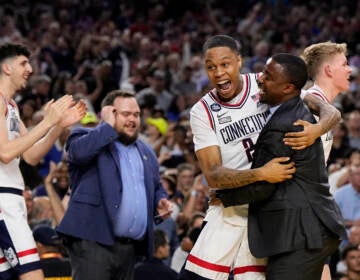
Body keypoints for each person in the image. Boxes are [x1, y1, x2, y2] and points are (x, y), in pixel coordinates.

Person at [183, 35, 341, 280]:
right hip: (232, 205)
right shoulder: (202, 111)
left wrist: (318, 129)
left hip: (269, 208)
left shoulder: (266, 84)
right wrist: (260, 173)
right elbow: (213, 175)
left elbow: (327, 109)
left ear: (238, 61)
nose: (218, 72)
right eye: (211, 67)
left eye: (225, 64)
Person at [56, 90, 173, 280]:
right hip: (93, 242)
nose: (133, 120)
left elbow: (156, 185)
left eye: (136, 115)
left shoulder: (146, 151)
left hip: (129, 249)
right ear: (109, 113)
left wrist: (160, 200)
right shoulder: (83, 135)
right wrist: (107, 127)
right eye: (126, 114)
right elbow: (78, 154)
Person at [0, 43, 86, 280]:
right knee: (33, 275)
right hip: (4, 200)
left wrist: (58, 125)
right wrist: (48, 121)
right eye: (23, 63)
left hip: (10, 197)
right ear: (6, 68)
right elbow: (6, 153)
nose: (29, 68)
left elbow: (30, 155)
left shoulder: (12, 106)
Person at [300, 41, 352, 164]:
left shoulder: (321, 103)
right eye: (344, 64)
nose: (349, 69)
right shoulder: (308, 107)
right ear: (329, 70)